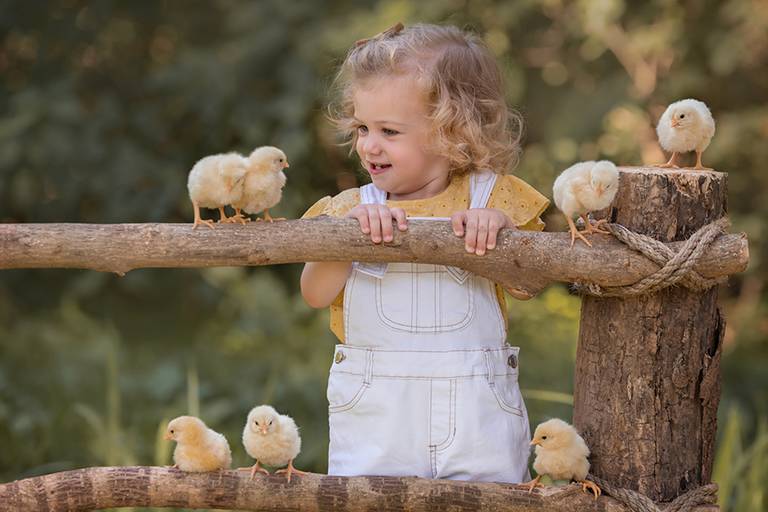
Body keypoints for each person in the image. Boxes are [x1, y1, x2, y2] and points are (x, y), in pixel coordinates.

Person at [300, 22, 549, 483]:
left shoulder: (493, 200)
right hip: (378, 421)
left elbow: (530, 284)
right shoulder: (352, 209)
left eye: (389, 131)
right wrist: (345, 241)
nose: (369, 145)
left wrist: (503, 233)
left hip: (479, 423)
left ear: (453, 131)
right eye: (362, 128)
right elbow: (314, 294)